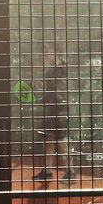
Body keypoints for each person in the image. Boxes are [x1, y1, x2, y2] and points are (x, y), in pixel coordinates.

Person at [34, 41, 71, 188]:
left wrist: (44, 99)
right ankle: (48, 171)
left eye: (48, 51)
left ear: (56, 53)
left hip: (59, 110)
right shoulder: (50, 70)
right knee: (48, 140)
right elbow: (51, 91)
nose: (46, 54)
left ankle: (70, 171)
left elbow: (58, 91)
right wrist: (42, 99)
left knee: (60, 141)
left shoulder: (62, 68)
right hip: (51, 109)